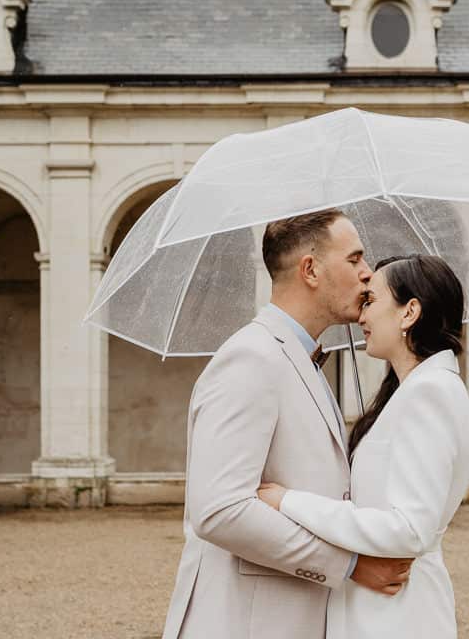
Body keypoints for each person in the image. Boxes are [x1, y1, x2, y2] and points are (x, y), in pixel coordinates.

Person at [161, 209, 414, 639]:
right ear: (310, 270)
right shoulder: (251, 358)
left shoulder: (303, 360)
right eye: (354, 260)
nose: (369, 274)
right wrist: (349, 565)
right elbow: (220, 509)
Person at [259, 254, 469, 639]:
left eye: (371, 301)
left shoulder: (430, 393)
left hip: (397, 614)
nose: (361, 317)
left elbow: (408, 529)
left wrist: (288, 502)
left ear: (409, 312)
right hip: (379, 609)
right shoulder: (415, 391)